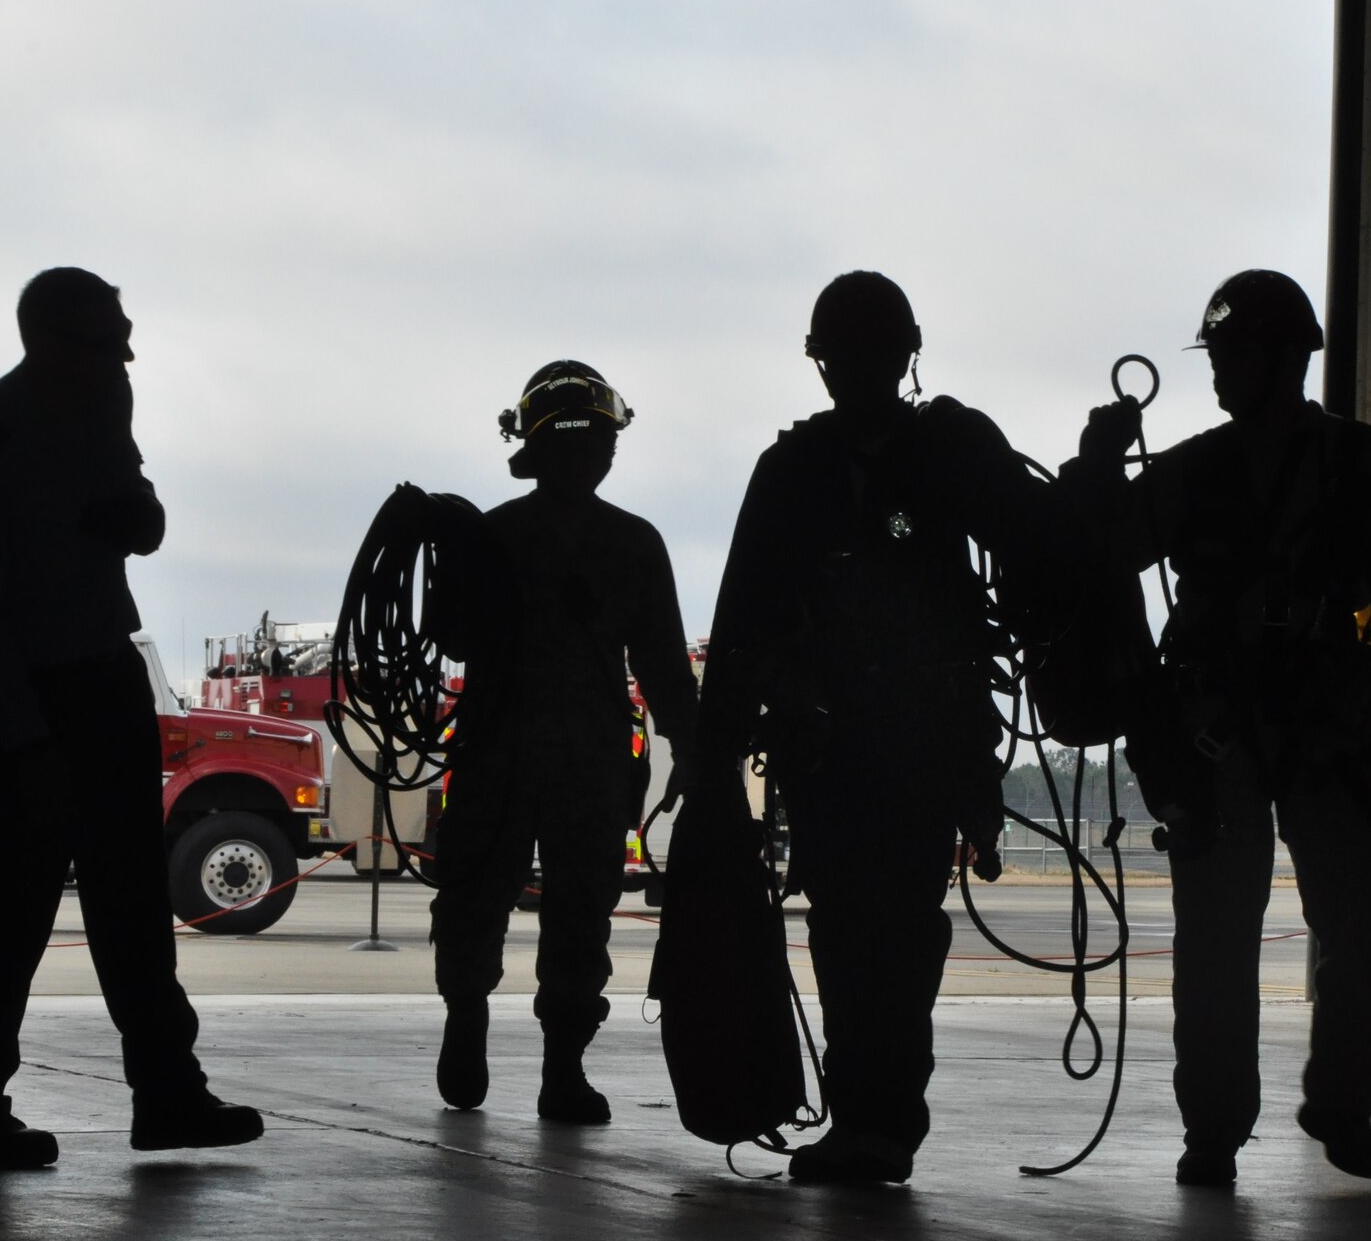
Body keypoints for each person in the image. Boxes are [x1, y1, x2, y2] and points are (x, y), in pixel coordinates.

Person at [1073, 269, 1371, 1185]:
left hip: (1318, 715)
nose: (1222, 371)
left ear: (1285, 359)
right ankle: (1215, 1130)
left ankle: (1339, 1098)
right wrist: (1099, 468)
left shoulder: (1359, 465)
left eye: (1234, 354)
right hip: (1223, 719)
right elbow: (1096, 553)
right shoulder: (1192, 469)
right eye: (1218, 355)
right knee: (1218, 929)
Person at [690, 271, 1044, 1183]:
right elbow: (741, 625)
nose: (853, 370)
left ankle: (880, 1121)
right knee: (858, 936)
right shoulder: (808, 471)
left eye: (860, 353)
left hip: (913, 744)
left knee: (882, 937)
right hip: (846, 745)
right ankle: (871, 1121)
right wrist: (715, 756)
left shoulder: (936, 457)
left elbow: (1041, 543)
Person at [0, 267, 265, 1169]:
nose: (125, 350)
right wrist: (24, 738)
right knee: (11, 907)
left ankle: (167, 1092)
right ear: (49, 339)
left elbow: (139, 510)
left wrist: (138, 517)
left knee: (131, 901)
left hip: (100, 672)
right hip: (23, 686)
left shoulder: (102, 396)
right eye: (106, 333)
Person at [428, 361, 698, 1123]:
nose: (593, 454)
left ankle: (536, 1053)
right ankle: (513, 1045)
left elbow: (664, 668)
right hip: (541, 750)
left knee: (540, 905)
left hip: (529, 750)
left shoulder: (511, 536)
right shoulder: (602, 542)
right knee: (526, 903)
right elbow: (666, 672)